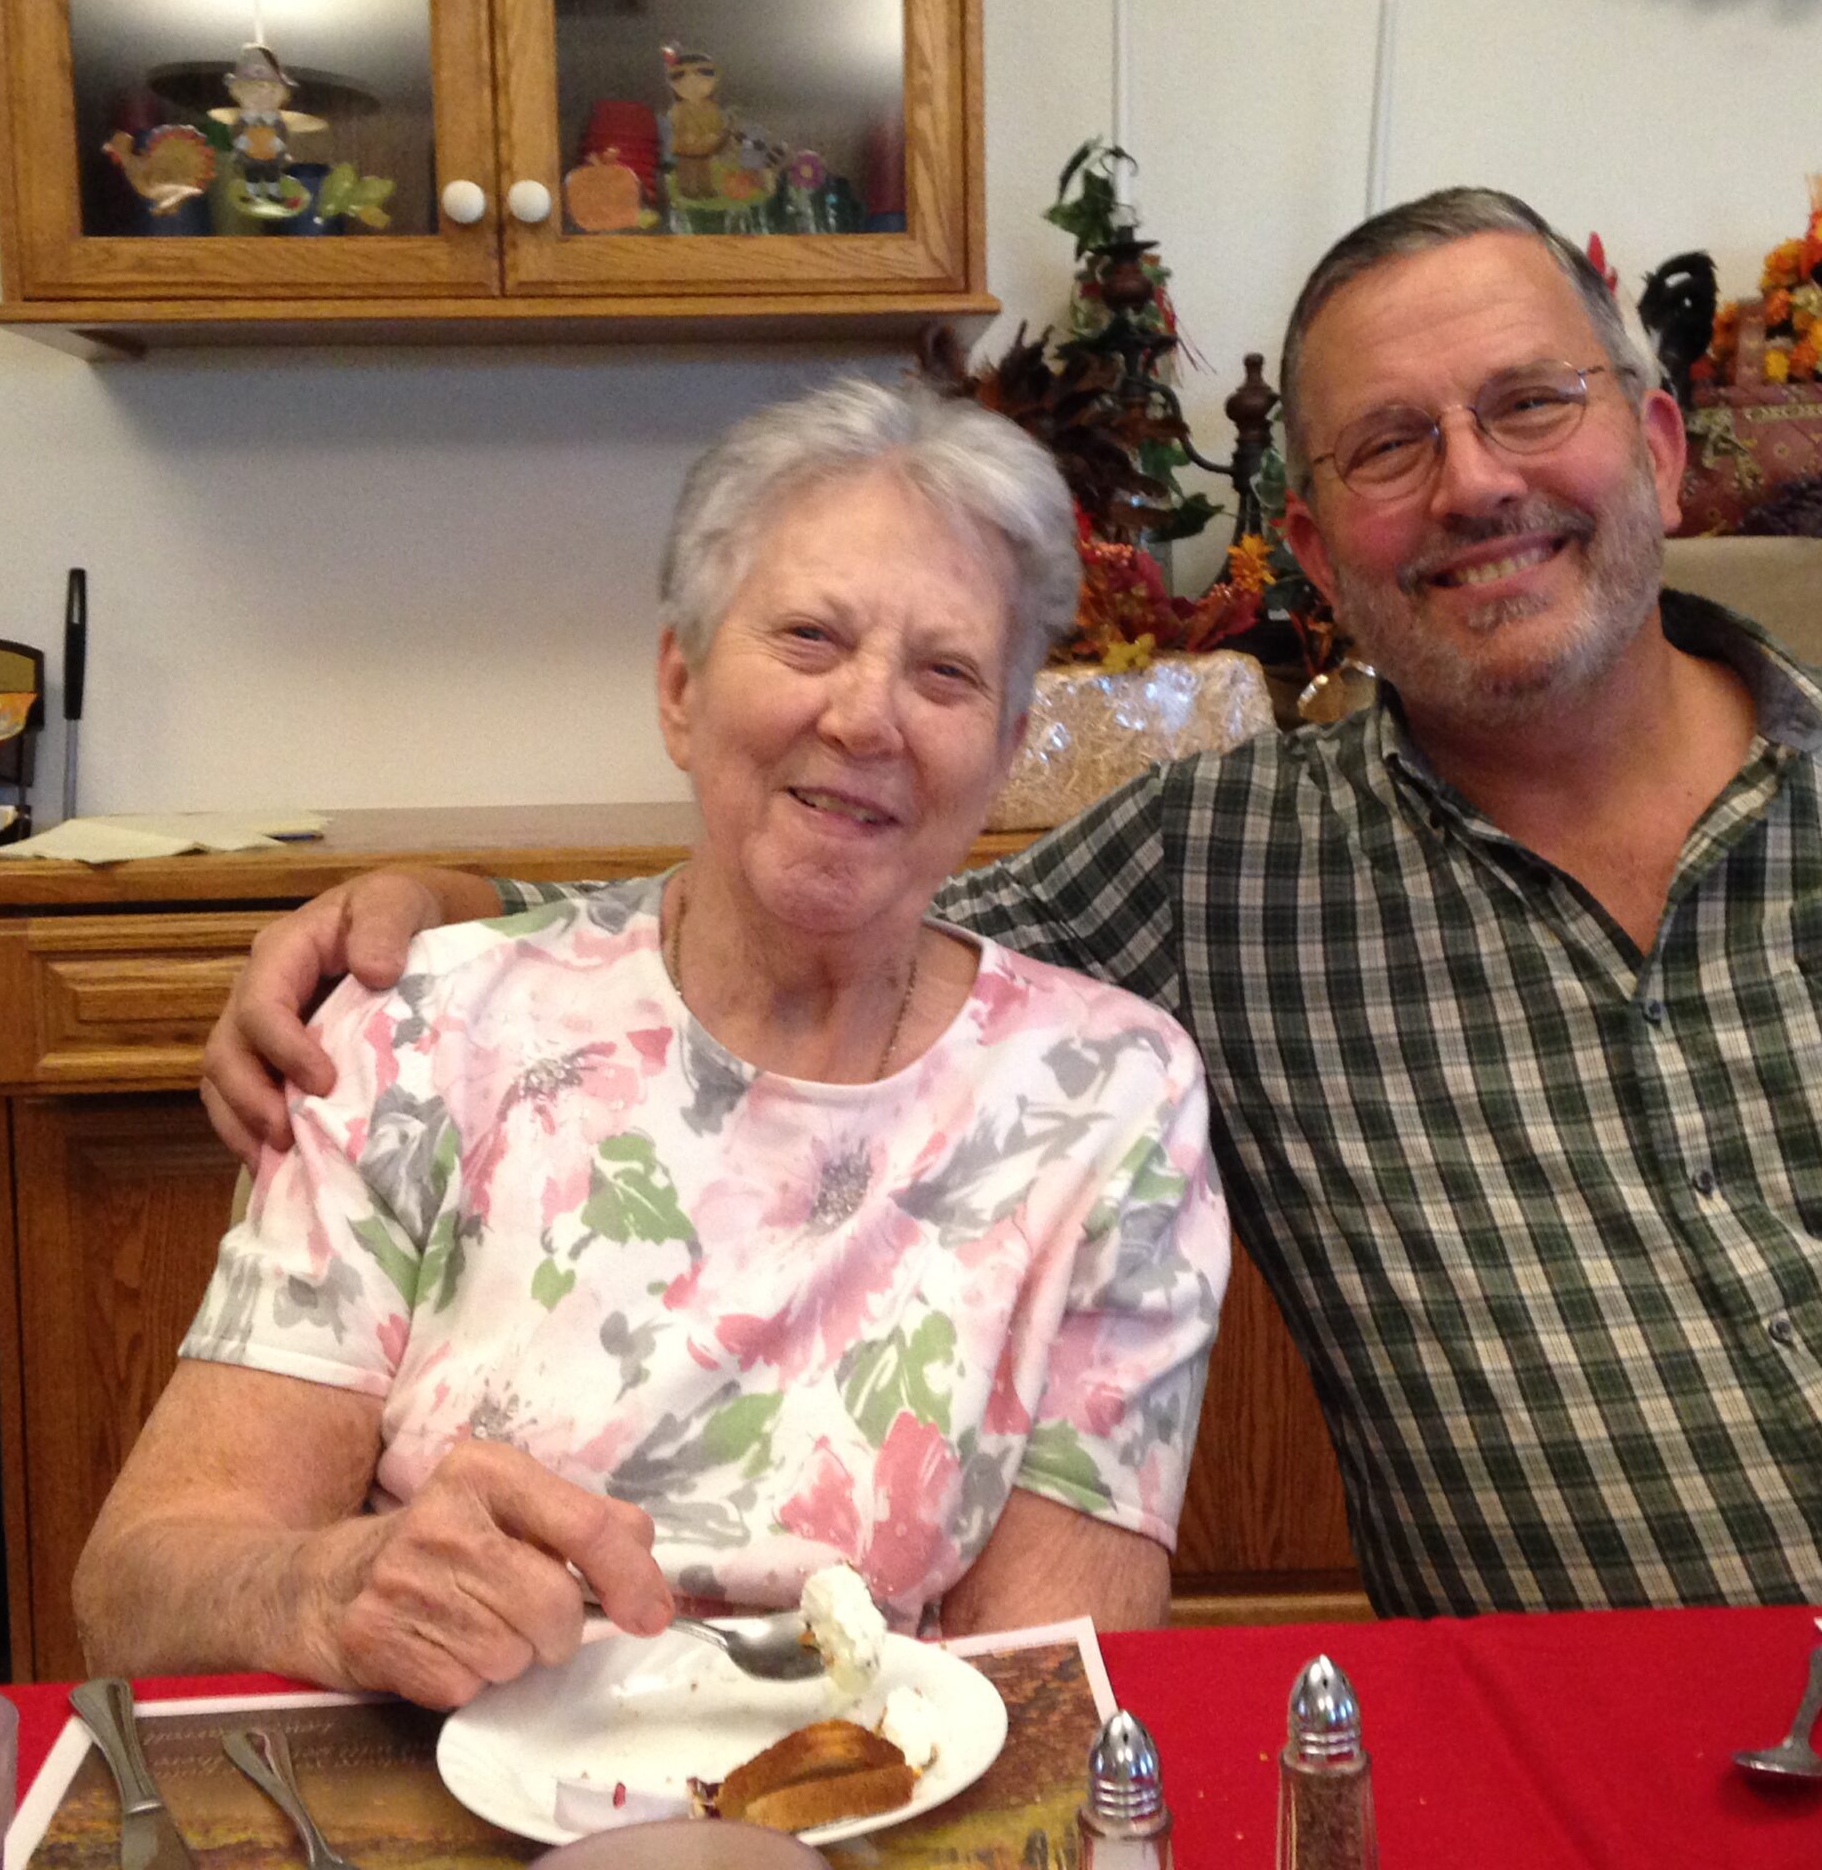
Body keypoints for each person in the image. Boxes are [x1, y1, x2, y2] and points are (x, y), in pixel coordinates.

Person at [202, 189, 1822, 1617]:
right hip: (1590, 1735)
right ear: (1315, 546)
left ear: (1657, 444)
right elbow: (817, 870)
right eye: (1384, 446)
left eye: (1527, 406)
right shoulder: (1225, 866)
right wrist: (447, 910)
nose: (1468, 484)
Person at [77, 379, 1231, 1705]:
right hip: (423, 1789)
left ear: (1009, 745)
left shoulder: (1107, 1100)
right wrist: (329, 1591)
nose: (867, 718)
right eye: (809, 637)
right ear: (680, 687)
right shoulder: (425, 1029)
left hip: (856, 1816)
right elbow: (138, 1590)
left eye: (947, 673)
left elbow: (1037, 1688)